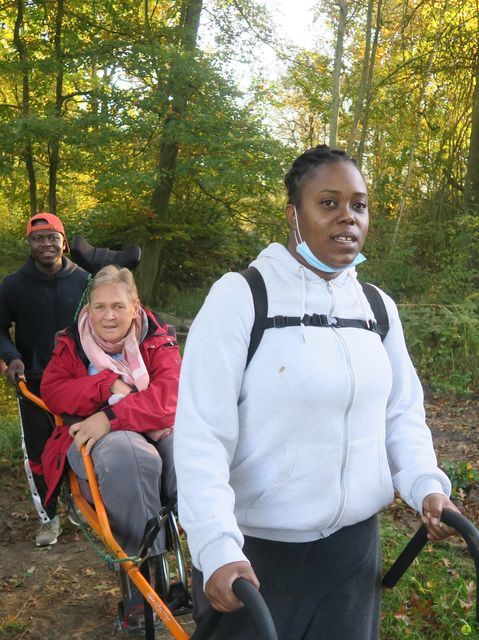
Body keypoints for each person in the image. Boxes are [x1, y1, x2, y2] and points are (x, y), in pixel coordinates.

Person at [173, 144, 458, 640]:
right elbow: (202, 435)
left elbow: (401, 414)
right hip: (256, 556)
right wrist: (216, 546)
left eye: (359, 205)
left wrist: (426, 487)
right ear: (294, 214)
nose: (347, 217)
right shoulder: (241, 296)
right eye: (328, 203)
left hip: (353, 554)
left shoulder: (376, 307)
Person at [40, 264, 180, 630]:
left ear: (135, 306)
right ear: (87, 309)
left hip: (154, 426)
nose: (108, 316)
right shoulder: (73, 341)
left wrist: (112, 417)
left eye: (118, 306)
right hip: (94, 440)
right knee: (129, 459)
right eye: (99, 307)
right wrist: (105, 386)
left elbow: (169, 397)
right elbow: (53, 391)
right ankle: (142, 582)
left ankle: (214, 566)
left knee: (193, 456)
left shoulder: (156, 338)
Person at [0, 212, 88, 546]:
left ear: (63, 241)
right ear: (29, 244)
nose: (46, 244)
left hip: (78, 382)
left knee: (80, 445)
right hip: (33, 382)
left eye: (52, 237)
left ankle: (80, 504)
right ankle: (48, 519)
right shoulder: (12, 285)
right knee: (38, 454)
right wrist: (11, 358)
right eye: (38, 238)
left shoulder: (85, 281)